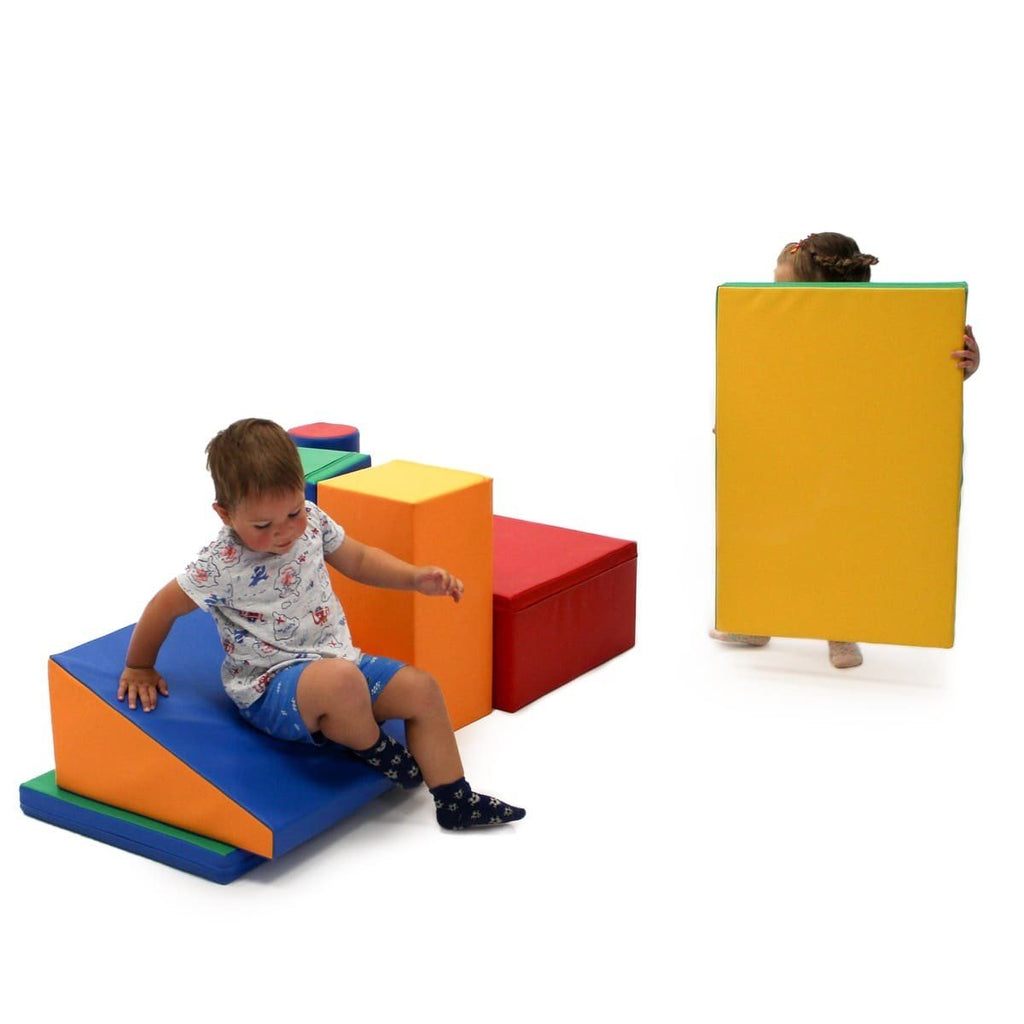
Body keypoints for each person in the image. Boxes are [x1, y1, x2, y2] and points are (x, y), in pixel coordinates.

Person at [117, 418, 525, 831]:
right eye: (263, 526)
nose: (283, 532)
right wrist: (139, 665)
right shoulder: (220, 565)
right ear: (225, 514)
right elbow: (162, 607)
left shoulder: (311, 521)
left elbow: (360, 560)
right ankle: (372, 747)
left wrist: (415, 578)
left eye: (292, 512)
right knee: (341, 682)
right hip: (271, 686)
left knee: (422, 688)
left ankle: (454, 799)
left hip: (340, 662)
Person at [711, 232, 980, 669]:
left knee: (841, 539)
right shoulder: (775, 330)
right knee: (773, 537)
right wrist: (735, 426)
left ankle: (842, 629)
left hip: (846, 457)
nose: (777, 300)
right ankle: (756, 617)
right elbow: (756, 380)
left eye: (787, 292)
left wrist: (962, 366)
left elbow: (908, 381)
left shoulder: (873, 331)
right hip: (790, 455)